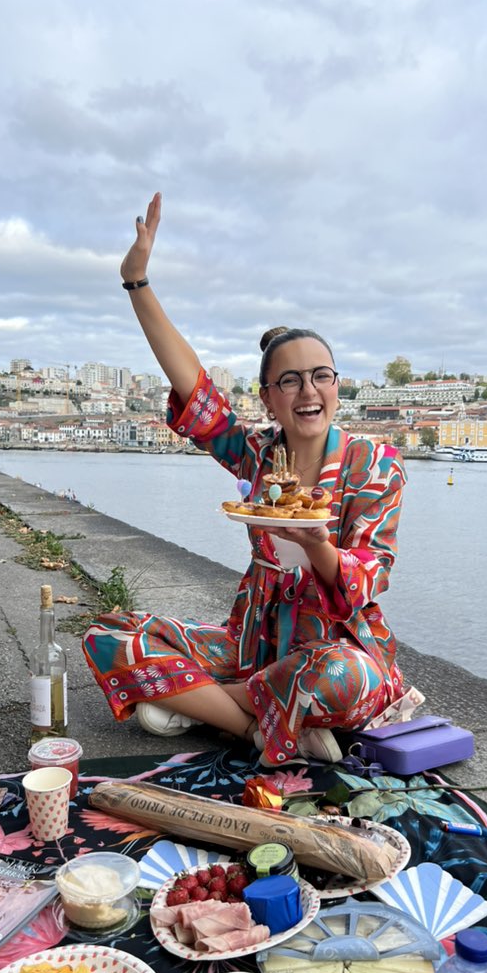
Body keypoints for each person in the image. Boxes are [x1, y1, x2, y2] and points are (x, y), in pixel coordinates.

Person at [82, 193, 416, 766]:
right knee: (109, 636)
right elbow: (196, 391)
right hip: (253, 645)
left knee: (335, 675)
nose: (308, 391)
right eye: (290, 380)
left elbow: (370, 579)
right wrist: (138, 283)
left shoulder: (374, 462)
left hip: (337, 649)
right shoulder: (261, 458)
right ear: (268, 397)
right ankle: (257, 726)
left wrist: (317, 546)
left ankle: (196, 707)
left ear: (337, 386)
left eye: (321, 376)